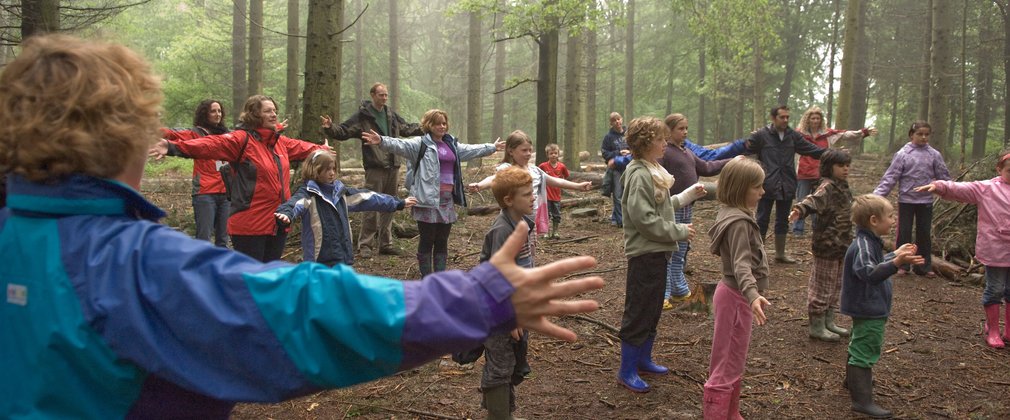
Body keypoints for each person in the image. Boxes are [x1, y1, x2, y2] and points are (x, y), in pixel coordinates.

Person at [0, 34, 605, 419]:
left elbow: (339, 182)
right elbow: (297, 311)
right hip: (255, 226)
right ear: (129, 137)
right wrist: (479, 297)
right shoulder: (129, 265)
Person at [150, 95, 330, 263]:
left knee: (270, 279)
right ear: (254, 114)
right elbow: (209, 145)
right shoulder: (241, 140)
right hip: (250, 226)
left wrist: (321, 149)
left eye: (274, 110)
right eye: (268, 111)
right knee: (249, 282)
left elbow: (302, 147)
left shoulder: (279, 143)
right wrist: (173, 147)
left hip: (278, 223)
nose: (273, 114)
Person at [616, 117, 705, 393]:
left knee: (653, 308)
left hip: (657, 253)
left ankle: (643, 359)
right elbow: (644, 219)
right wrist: (677, 231)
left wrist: (687, 195)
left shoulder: (652, 169)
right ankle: (627, 369)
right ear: (644, 143)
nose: (665, 144)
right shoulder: (639, 173)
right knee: (639, 311)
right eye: (659, 139)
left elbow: (663, 205)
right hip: (645, 254)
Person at [362, 109, 503, 276]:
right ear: (429, 125)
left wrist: (492, 147)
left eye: (444, 123)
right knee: (427, 241)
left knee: (442, 241)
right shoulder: (419, 144)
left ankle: (440, 278)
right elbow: (399, 145)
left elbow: (470, 150)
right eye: (437, 123)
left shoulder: (451, 144)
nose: (442, 126)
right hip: (426, 201)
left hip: (446, 202)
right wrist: (381, 141)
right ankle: (427, 279)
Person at [914, 152, 1010, 348]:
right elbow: (961, 189)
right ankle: (992, 330)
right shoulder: (988, 188)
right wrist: (939, 186)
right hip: (995, 250)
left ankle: (1008, 330)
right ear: (999, 170)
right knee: (995, 288)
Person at [841, 195, 924, 418]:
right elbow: (869, 272)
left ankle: (853, 382)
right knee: (865, 347)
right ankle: (862, 400)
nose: (894, 220)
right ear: (874, 220)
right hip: (868, 307)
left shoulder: (868, 242)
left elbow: (873, 264)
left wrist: (894, 254)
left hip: (867, 305)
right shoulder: (863, 245)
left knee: (859, 343)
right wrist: (897, 263)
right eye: (889, 216)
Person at [321, 83, 424, 258]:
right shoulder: (364, 116)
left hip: (393, 165)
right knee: (371, 204)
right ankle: (365, 245)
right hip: (374, 166)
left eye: (386, 95)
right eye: (381, 95)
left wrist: (426, 127)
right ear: (372, 95)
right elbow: (344, 131)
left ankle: (386, 243)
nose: (384, 98)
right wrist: (330, 127)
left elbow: (406, 129)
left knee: (391, 204)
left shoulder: (390, 114)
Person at [703, 156, 771, 418]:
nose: (762, 192)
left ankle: (732, 413)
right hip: (736, 297)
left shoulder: (734, 212)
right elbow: (742, 265)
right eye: (757, 187)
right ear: (741, 188)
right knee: (725, 362)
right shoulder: (739, 222)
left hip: (735, 296)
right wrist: (752, 295)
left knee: (734, 358)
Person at [274, 150, 418, 267]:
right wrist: (286, 214)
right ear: (315, 170)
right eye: (327, 170)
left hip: (343, 257)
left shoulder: (341, 192)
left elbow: (370, 197)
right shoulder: (307, 194)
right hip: (318, 260)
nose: (331, 173)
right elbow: (293, 204)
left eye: (333, 169)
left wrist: (398, 203)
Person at [478, 166, 537, 420]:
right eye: (526, 194)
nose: (533, 197)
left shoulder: (522, 223)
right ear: (508, 200)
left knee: (510, 363)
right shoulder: (503, 230)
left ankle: (504, 415)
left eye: (532, 192)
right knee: (500, 366)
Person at [659, 113, 731, 310]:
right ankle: (662, 293)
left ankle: (679, 290)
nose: (685, 132)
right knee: (669, 251)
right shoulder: (665, 153)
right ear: (669, 131)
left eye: (686, 128)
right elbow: (658, 180)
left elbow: (707, 167)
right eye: (681, 129)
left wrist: (729, 162)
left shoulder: (687, 152)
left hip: (687, 208)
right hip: (671, 207)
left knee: (681, 250)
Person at [468, 130, 592, 237]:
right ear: (511, 151)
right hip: (513, 221)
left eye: (530, 150)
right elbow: (493, 178)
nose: (528, 153)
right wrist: (480, 185)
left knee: (529, 253)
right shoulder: (507, 168)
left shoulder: (535, 170)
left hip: (532, 222)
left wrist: (578, 187)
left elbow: (555, 181)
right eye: (524, 150)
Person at [743, 105, 825, 264]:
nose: (786, 120)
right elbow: (746, 149)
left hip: (786, 184)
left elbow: (812, 150)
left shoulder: (793, 136)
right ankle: (757, 255)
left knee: (782, 220)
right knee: (762, 219)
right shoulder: (762, 135)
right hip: (766, 184)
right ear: (773, 118)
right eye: (782, 117)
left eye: (788, 117)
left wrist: (831, 154)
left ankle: (780, 254)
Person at [788, 149, 855, 342]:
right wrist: (799, 210)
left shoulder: (843, 187)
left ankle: (829, 321)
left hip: (842, 244)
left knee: (837, 284)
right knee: (823, 284)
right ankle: (816, 324)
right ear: (829, 167)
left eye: (847, 165)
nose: (845, 169)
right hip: (826, 245)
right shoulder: (826, 187)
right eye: (841, 166)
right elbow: (812, 201)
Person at [872, 121, 951, 277]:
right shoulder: (903, 154)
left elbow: (944, 177)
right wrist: (876, 197)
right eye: (919, 134)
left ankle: (923, 266)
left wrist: (953, 191)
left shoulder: (934, 155)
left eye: (926, 134)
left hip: (926, 201)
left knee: (924, 233)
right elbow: (891, 177)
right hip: (906, 200)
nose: (923, 137)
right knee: (904, 233)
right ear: (911, 135)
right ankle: (902, 264)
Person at [793, 105, 877, 236]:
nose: (815, 121)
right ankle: (797, 229)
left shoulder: (827, 134)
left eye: (817, 118)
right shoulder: (799, 135)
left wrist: (863, 132)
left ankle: (817, 228)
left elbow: (846, 134)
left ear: (821, 120)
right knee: (801, 200)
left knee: (819, 201)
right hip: (803, 172)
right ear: (807, 120)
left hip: (821, 173)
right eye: (812, 118)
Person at [161, 99, 233, 247]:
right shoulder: (195, 133)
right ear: (204, 114)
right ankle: (201, 269)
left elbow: (250, 137)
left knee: (223, 240)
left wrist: (275, 128)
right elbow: (171, 134)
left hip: (226, 193)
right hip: (205, 193)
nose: (217, 114)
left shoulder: (227, 135)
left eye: (219, 111)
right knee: (204, 239)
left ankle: (219, 269)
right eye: (213, 111)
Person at [601, 112, 630, 227]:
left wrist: (630, 152)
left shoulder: (629, 133)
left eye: (618, 119)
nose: (617, 122)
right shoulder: (608, 137)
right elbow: (605, 154)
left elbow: (636, 146)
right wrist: (618, 153)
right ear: (611, 123)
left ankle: (622, 217)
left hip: (629, 167)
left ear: (622, 119)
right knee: (618, 195)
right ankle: (620, 221)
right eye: (614, 120)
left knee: (628, 194)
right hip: (616, 169)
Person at [537, 143, 570, 239]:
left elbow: (566, 176)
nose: (553, 155)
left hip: (557, 195)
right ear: (547, 155)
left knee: (557, 214)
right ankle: (546, 231)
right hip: (546, 195)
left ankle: (555, 231)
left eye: (555, 153)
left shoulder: (562, 166)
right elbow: (538, 175)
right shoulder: (543, 166)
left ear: (558, 154)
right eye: (551, 153)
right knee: (546, 214)